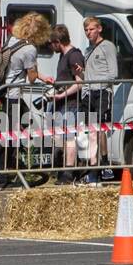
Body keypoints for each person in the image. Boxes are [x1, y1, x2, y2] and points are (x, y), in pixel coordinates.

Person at [0, 12, 51, 188]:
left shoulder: (12, 40)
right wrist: (37, 68)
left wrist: (43, 77)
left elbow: (19, 68)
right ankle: (4, 176)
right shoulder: (30, 49)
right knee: (12, 137)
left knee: (13, 134)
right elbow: (32, 77)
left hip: (4, 93)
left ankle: (12, 170)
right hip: (13, 96)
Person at [44, 25, 86, 184]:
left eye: (51, 43)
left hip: (71, 104)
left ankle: (68, 173)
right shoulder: (63, 56)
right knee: (60, 137)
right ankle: (64, 170)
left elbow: (80, 83)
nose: (50, 46)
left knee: (69, 138)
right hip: (62, 103)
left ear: (58, 41)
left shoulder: (74, 56)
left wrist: (61, 94)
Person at [80, 16, 118, 185]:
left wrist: (99, 83)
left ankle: (105, 162)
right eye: (86, 30)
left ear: (99, 29)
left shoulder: (108, 46)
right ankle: (93, 166)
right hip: (89, 93)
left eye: (92, 29)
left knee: (101, 128)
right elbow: (87, 74)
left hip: (103, 91)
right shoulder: (87, 50)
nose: (89, 33)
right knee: (91, 130)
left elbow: (113, 73)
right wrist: (86, 89)